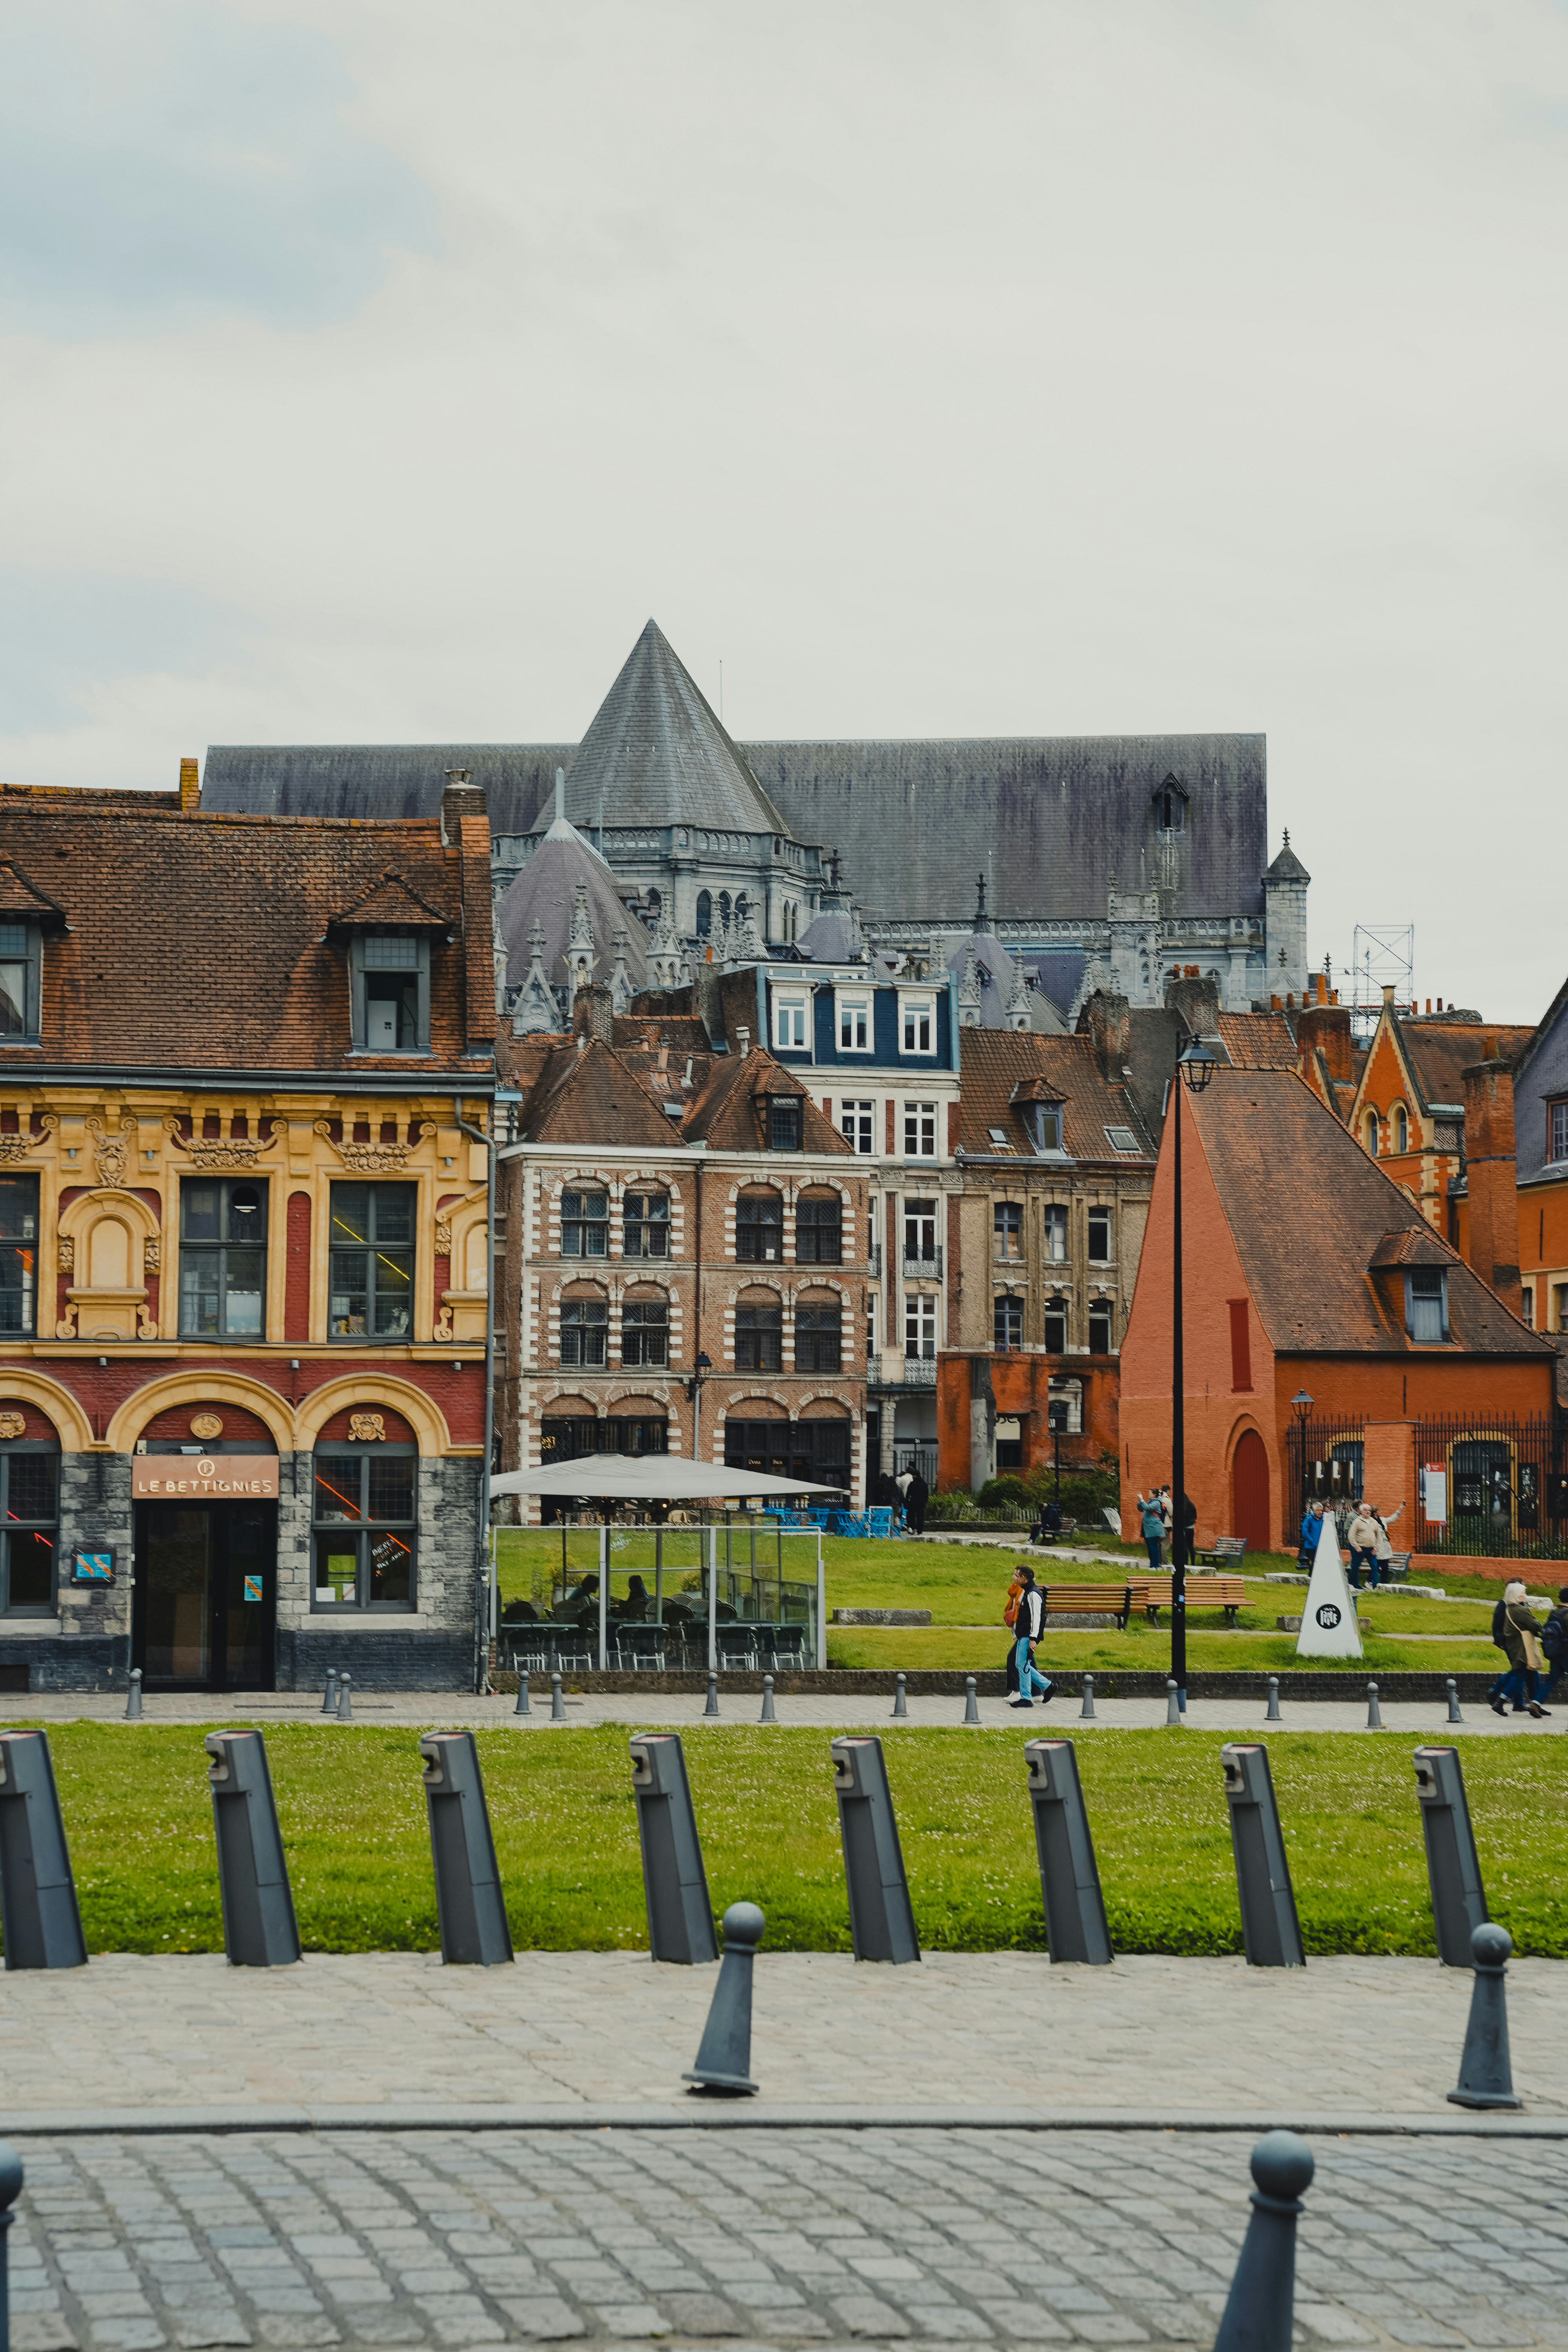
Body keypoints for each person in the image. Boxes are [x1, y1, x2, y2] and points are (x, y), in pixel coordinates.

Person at [1489, 1579, 1550, 1718]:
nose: (1526, 1595)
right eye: (1523, 1593)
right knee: (1520, 1675)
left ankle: (1536, 1704)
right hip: (1522, 1647)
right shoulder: (1521, 1610)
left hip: (1515, 1646)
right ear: (1517, 1595)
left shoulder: (1510, 1609)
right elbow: (1535, 1626)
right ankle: (1500, 1702)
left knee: (1532, 1675)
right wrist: (1540, 1625)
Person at [1008, 1566, 1054, 1709]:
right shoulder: (1027, 1592)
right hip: (1025, 1635)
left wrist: (1033, 1639)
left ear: (1024, 1578)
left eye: (1017, 1575)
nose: (1014, 1577)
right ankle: (1047, 1686)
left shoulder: (1033, 1594)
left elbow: (1037, 1618)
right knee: (1022, 1665)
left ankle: (1027, 1698)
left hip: (1028, 1636)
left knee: (1022, 1665)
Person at [1537, 1586, 1568, 1705]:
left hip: (1555, 1651)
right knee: (1552, 1679)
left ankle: (1536, 1702)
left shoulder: (1554, 1613)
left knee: (1551, 1680)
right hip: (1565, 1652)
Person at [1345, 1501, 1380, 1592]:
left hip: (1371, 1549)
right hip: (1360, 1549)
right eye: (1366, 1510)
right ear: (1361, 1511)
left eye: (1369, 1510)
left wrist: (1377, 1547)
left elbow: (1378, 1536)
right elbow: (1351, 1535)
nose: (1368, 1512)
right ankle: (1353, 1584)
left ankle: (1374, 1585)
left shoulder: (1374, 1522)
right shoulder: (1357, 1522)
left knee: (1375, 1567)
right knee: (1356, 1567)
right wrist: (1356, 1547)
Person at [1137, 1490, 1165, 1572]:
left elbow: (1148, 1508)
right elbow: (1142, 1509)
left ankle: (1155, 1565)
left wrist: (1142, 1500)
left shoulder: (1157, 1503)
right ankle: (1152, 1564)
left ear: (1155, 1495)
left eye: (1150, 1493)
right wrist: (1140, 1503)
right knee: (1150, 1547)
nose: (1148, 1494)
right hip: (1148, 1528)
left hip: (1154, 1528)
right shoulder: (1150, 1502)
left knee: (1154, 1547)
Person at [1298, 1500, 1324, 1572]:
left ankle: (1313, 1576)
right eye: (1318, 1510)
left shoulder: (1323, 1519)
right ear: (1314, 1510)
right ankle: (1312, 1577)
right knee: (1315, 1562)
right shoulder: (1309, 1519)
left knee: (1319, 1562)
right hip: (1311, 1546)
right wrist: (1312, 1541)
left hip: (1321, 1545)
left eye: (1321, 1511)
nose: (1320, 1512)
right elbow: (1305, 1532)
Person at [906, 1466, 928, 1536]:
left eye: (913, 1476)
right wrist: (925, 1501)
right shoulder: (924, 1484)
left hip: (914, 1502)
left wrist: (907, 1501)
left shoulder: (913, 1484)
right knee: (920, 1516)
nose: (912, 1477)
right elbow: (927, 1494)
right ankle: (920, 1531)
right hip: (922, 1503)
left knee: (911, 1515)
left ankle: (913, 1527)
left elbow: (909, 1494)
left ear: (915, 1476)